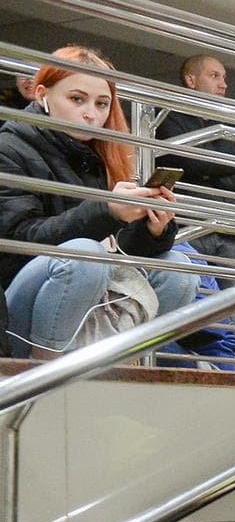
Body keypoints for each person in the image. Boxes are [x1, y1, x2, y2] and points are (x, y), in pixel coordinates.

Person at [0, 45, 196, 355]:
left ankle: (116, 363)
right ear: (42, 95)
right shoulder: (8, 147)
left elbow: (117, 250)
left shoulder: (98, 154)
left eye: (102, 103)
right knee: (85, 255)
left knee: (178, 269)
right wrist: (105, 211)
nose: (91, 113)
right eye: (77, 99)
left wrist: (151, 231)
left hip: (84, 295)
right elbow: (18, 241)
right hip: (19, 300)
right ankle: (43, 375)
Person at [155, 53, 235, 266]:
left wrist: (214, 182)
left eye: (224, 77)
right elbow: (193, 161)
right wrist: (234, 164)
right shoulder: (167, 115)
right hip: (187, 223)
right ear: (191, 80)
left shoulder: (232, 123)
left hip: (228, 227)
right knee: (192, 292)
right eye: (214, 76)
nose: (223, 84)